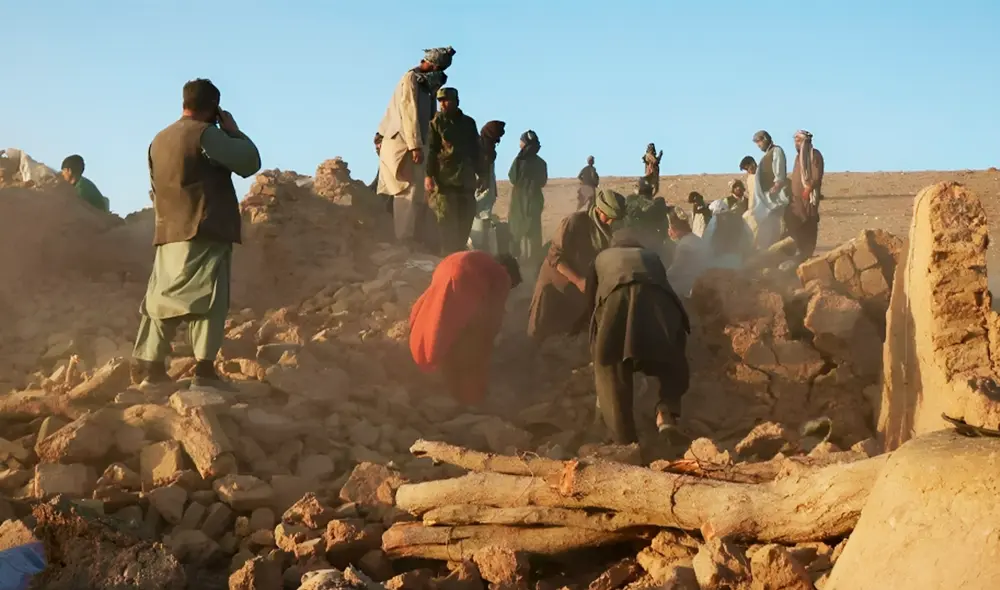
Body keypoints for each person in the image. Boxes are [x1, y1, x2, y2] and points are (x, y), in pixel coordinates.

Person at [132, 79, 261, 391]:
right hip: (204, 229)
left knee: (161, 299)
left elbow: (154, 187)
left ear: (184, 103)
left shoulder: (158, 140)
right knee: (209, 298)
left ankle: (152, 369)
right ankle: (204, 371)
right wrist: (233, 131)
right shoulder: (206, 134)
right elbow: (249, 162)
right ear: (214, 108)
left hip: (168, 232)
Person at [580, 234, 691, 444]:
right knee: (672, 358)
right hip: (661, 305)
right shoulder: (651, 256)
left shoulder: (601, 258)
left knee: (610, 367)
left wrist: (598, 342)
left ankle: (624, 440)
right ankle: (666, 413)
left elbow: (591, 304)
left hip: (617, 303)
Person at [409, 251, 522, 405]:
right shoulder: (502, 275)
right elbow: (493, 318)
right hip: (462, 278)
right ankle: (468, 397)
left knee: (440, 321)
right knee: (469, 342)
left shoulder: (479, 261)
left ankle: (441, 374)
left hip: (445, 268)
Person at [377, 46, 456, 248]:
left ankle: (411, 238)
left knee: (417, 193)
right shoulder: (411, 79)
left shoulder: (425, 85)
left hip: (417, 144)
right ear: (433, 65)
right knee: (407, 190)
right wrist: (415, 147)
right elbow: (409, 114)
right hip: (404, 144)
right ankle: (403, 240)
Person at [528, 188, 624, 341]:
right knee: (541, 331)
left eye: (615, 219)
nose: (611, 222)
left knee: (571, 333)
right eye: (608, 217)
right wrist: (578, 281)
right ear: (598, 209)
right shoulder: (574, 222)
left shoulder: (610, 231)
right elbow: (555, 257)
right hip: (555, 285)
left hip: (580, 290)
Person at [425, 87, 481, 255]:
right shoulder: (436, 123)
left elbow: (476, 150)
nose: (443, 104)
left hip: (466, 180)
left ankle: (458, 255)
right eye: (440, 101)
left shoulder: (468, 123)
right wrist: (429, 175)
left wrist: (482, 174)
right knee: (446, 223)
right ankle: (447, 258)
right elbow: (432, 150)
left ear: (456, 101)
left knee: (465, 220)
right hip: (445, 181)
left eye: (446, 100)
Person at [508, 130, 548, 263]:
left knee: (516, 231)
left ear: (524, 143)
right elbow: (542, 182)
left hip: (519, 201)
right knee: (534, 232)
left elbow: (512, 178)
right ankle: (535, 262)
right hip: (535, 200)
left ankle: (515, 261)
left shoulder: (519, 161)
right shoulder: (541, 163)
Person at [747, 131, 790, 250]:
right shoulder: (768, 154)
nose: (758, 145)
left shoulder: (776, 151)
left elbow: (779, 170)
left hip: (774, 198)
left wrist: (777, 184)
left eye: (759, 142)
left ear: (765, 139)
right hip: (766, 199)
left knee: (774, 227)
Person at [786, 130, 825, 260]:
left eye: (798, 141)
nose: (796, 144)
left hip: (808, 197)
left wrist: (808, 188)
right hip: (797, 199)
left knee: (809, 222)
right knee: (798, 224)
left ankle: (808, 252)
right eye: (795, 141)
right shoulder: (799, 158)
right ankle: (800, 252)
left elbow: (816, 175)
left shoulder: (814, 155)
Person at [666, 209, 709, 298]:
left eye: (670, 228)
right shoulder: (696, 239)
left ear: (675, 229)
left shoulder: (684, 246)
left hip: (690, 290)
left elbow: (675, 271)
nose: (669, 232)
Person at [369, 133, 393, 216]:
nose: (377, 148)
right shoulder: (384, 162)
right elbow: (377, 181)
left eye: (379, 143)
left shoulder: (391, 161)